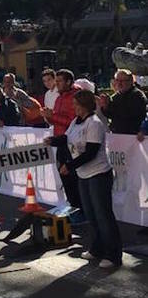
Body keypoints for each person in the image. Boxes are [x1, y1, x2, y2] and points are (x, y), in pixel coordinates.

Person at [45, 90, 122, 268]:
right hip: (83, 175)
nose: (74, 108)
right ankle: (97, 248)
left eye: (77, 105)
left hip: (98, 174)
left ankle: (113, 254)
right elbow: (67, 137)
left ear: (85, 105)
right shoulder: (75, 121)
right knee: (91, 214)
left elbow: (91, 152)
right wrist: (53, 141)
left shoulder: (94, 123)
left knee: (103, 215)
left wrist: (70, 166)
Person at [41, 69, 83, 218]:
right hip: (60, 142)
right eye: (56, 81)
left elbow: (73, 121)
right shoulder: (59, 98)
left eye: (59, 81)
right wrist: (48, 117)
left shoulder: (76, 97)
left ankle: (80, 211)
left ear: (69, 82)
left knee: (73, 177)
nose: (56, 84)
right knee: (64, 176)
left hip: (72, 143)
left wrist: (54, 117)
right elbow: (56, 120)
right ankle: (73, 207)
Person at [99, 69, 147, 135]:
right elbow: (110, 115)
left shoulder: (137, 95)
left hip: (132, 134)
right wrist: (105, 105)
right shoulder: (116, 96)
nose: (119, 83)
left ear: (130, 81)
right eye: (117, 80)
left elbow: (129, 115)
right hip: (117, 133)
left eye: (122, 81)